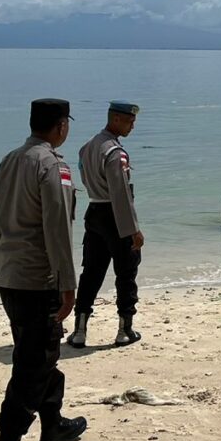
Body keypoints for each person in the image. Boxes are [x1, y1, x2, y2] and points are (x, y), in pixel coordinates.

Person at [0, 98, 87, 441]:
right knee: (33, 365)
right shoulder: (53, 166)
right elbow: (58, 229)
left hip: (11, 277)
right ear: (61, 125)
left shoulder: (9, 161)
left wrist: (0, 270)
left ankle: (53, 425)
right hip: (37, 279)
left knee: (41, 354)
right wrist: (67, 284)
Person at [66, 101, 145, 348]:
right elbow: (120, 193)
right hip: (114, 214)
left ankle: (79, 330)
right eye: (130, 121)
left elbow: (86, 178)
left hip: (94, 210)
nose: (133, 126)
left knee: (91, 272)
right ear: (116, 119)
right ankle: (125, 329)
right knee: (126, 271)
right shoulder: (115, 153)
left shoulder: (87, 147)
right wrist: (133, 229)